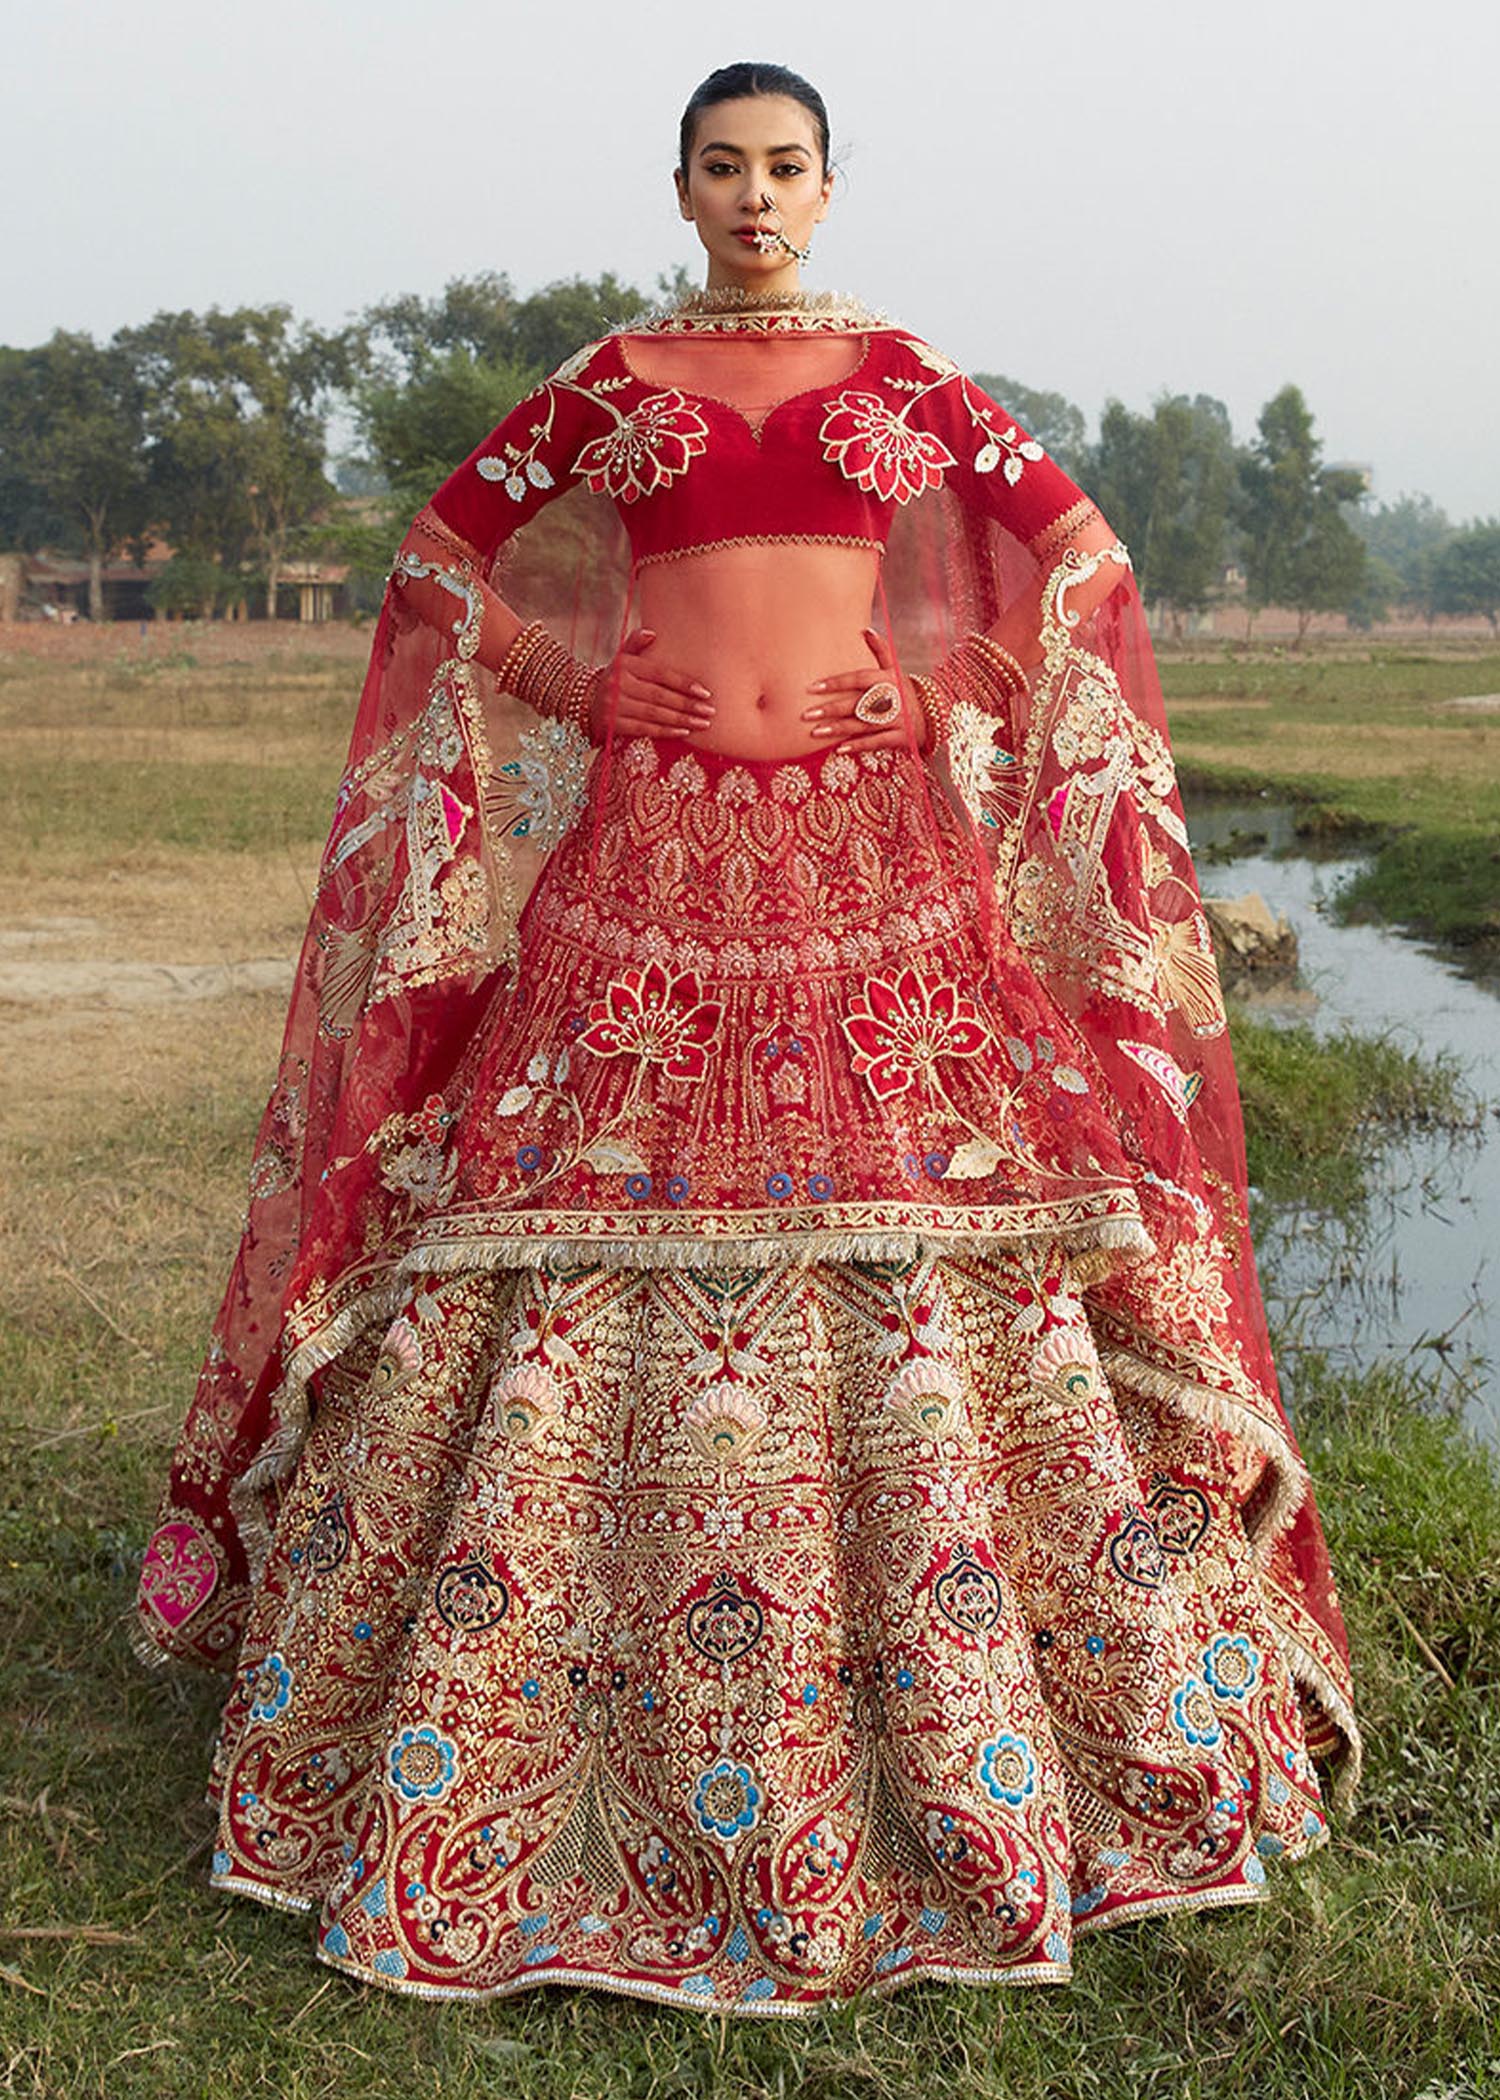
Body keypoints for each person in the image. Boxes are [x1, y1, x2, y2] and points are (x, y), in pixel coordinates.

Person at [134, 61, 1359, 2015]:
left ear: (827, 185)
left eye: (787, 167)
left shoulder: (908, 376)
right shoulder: (610, 386)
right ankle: (519, 1730)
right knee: (560, 1214)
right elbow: (437, 562)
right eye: (726, 168)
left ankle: (966, 1719)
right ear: (683, 186)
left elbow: (1086, 559)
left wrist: (949, 684)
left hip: (879, 864)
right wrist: (571, 687)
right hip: (647, 864)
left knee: (932, 1213)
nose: (758, 196)